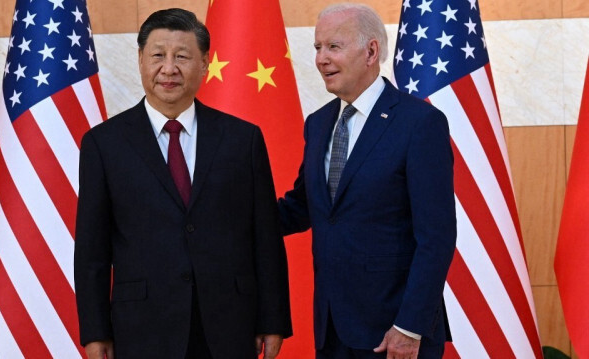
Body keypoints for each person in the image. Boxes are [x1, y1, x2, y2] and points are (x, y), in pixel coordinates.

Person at [74, 8, 292, 359]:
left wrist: (272, 319)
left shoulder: (242, 139)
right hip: (142, 327)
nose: (169, 68)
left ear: (205, 63)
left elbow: (264, 236)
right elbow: (91, 250)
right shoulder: (104, 144)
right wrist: (95, 331)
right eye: (158, 55)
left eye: (183, 56)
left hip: (229, 325)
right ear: (141, 59)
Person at [278, 3, 457, 359]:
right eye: (317, 48)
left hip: (395, 333)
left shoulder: (419, 123)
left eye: (333, 47)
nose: (321, 59)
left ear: (371, 51)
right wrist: (229, 214)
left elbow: (436, 237)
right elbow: (305, 207)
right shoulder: (317, 123)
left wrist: (410, 327)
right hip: (332, 330)